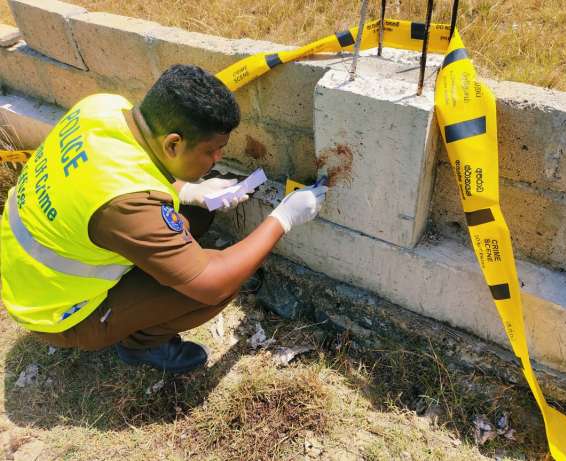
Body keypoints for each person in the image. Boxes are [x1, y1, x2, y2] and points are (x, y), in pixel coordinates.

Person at [0, 64, 328, 374]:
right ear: (173, 143)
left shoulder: (101, 108)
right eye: (212, 150)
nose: (218, 158)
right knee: (219, 284)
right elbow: (213, 282)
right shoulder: (124, 206)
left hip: (30, 270)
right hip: (59, 313)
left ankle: (143, 303)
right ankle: (141, 345)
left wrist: (189, 190)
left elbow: (117, 169)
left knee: (196, 214)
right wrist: (284, 217)